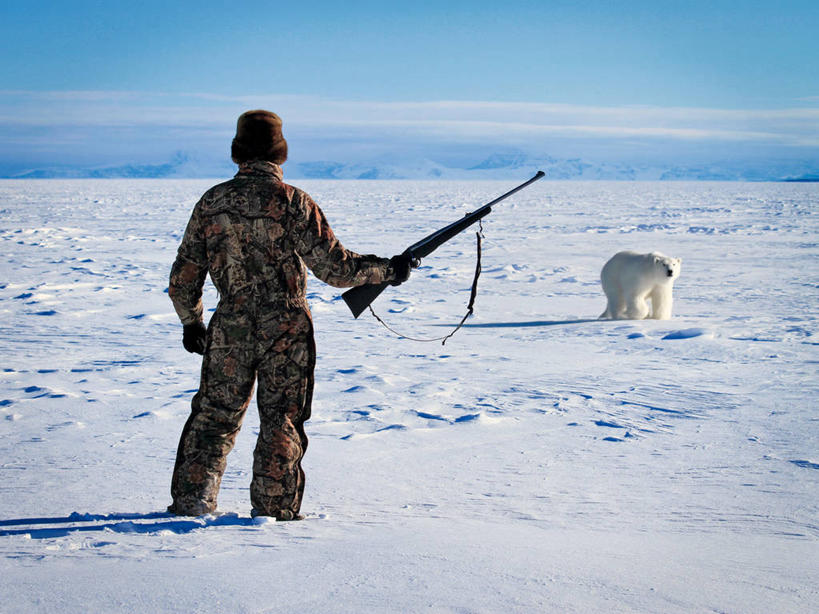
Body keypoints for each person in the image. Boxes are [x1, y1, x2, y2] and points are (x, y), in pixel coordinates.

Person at [167, 110, 412, 520]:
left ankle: (193, 503)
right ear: (280, 153)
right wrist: (388, 270)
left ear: (237, 152)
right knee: (281, 419)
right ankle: (275, 511)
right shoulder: (293, 202)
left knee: (214, 416)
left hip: (230, 326)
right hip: (286, 327)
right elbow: (335, 269)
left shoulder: (211, 202)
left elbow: (183, 276)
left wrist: (191, 321)